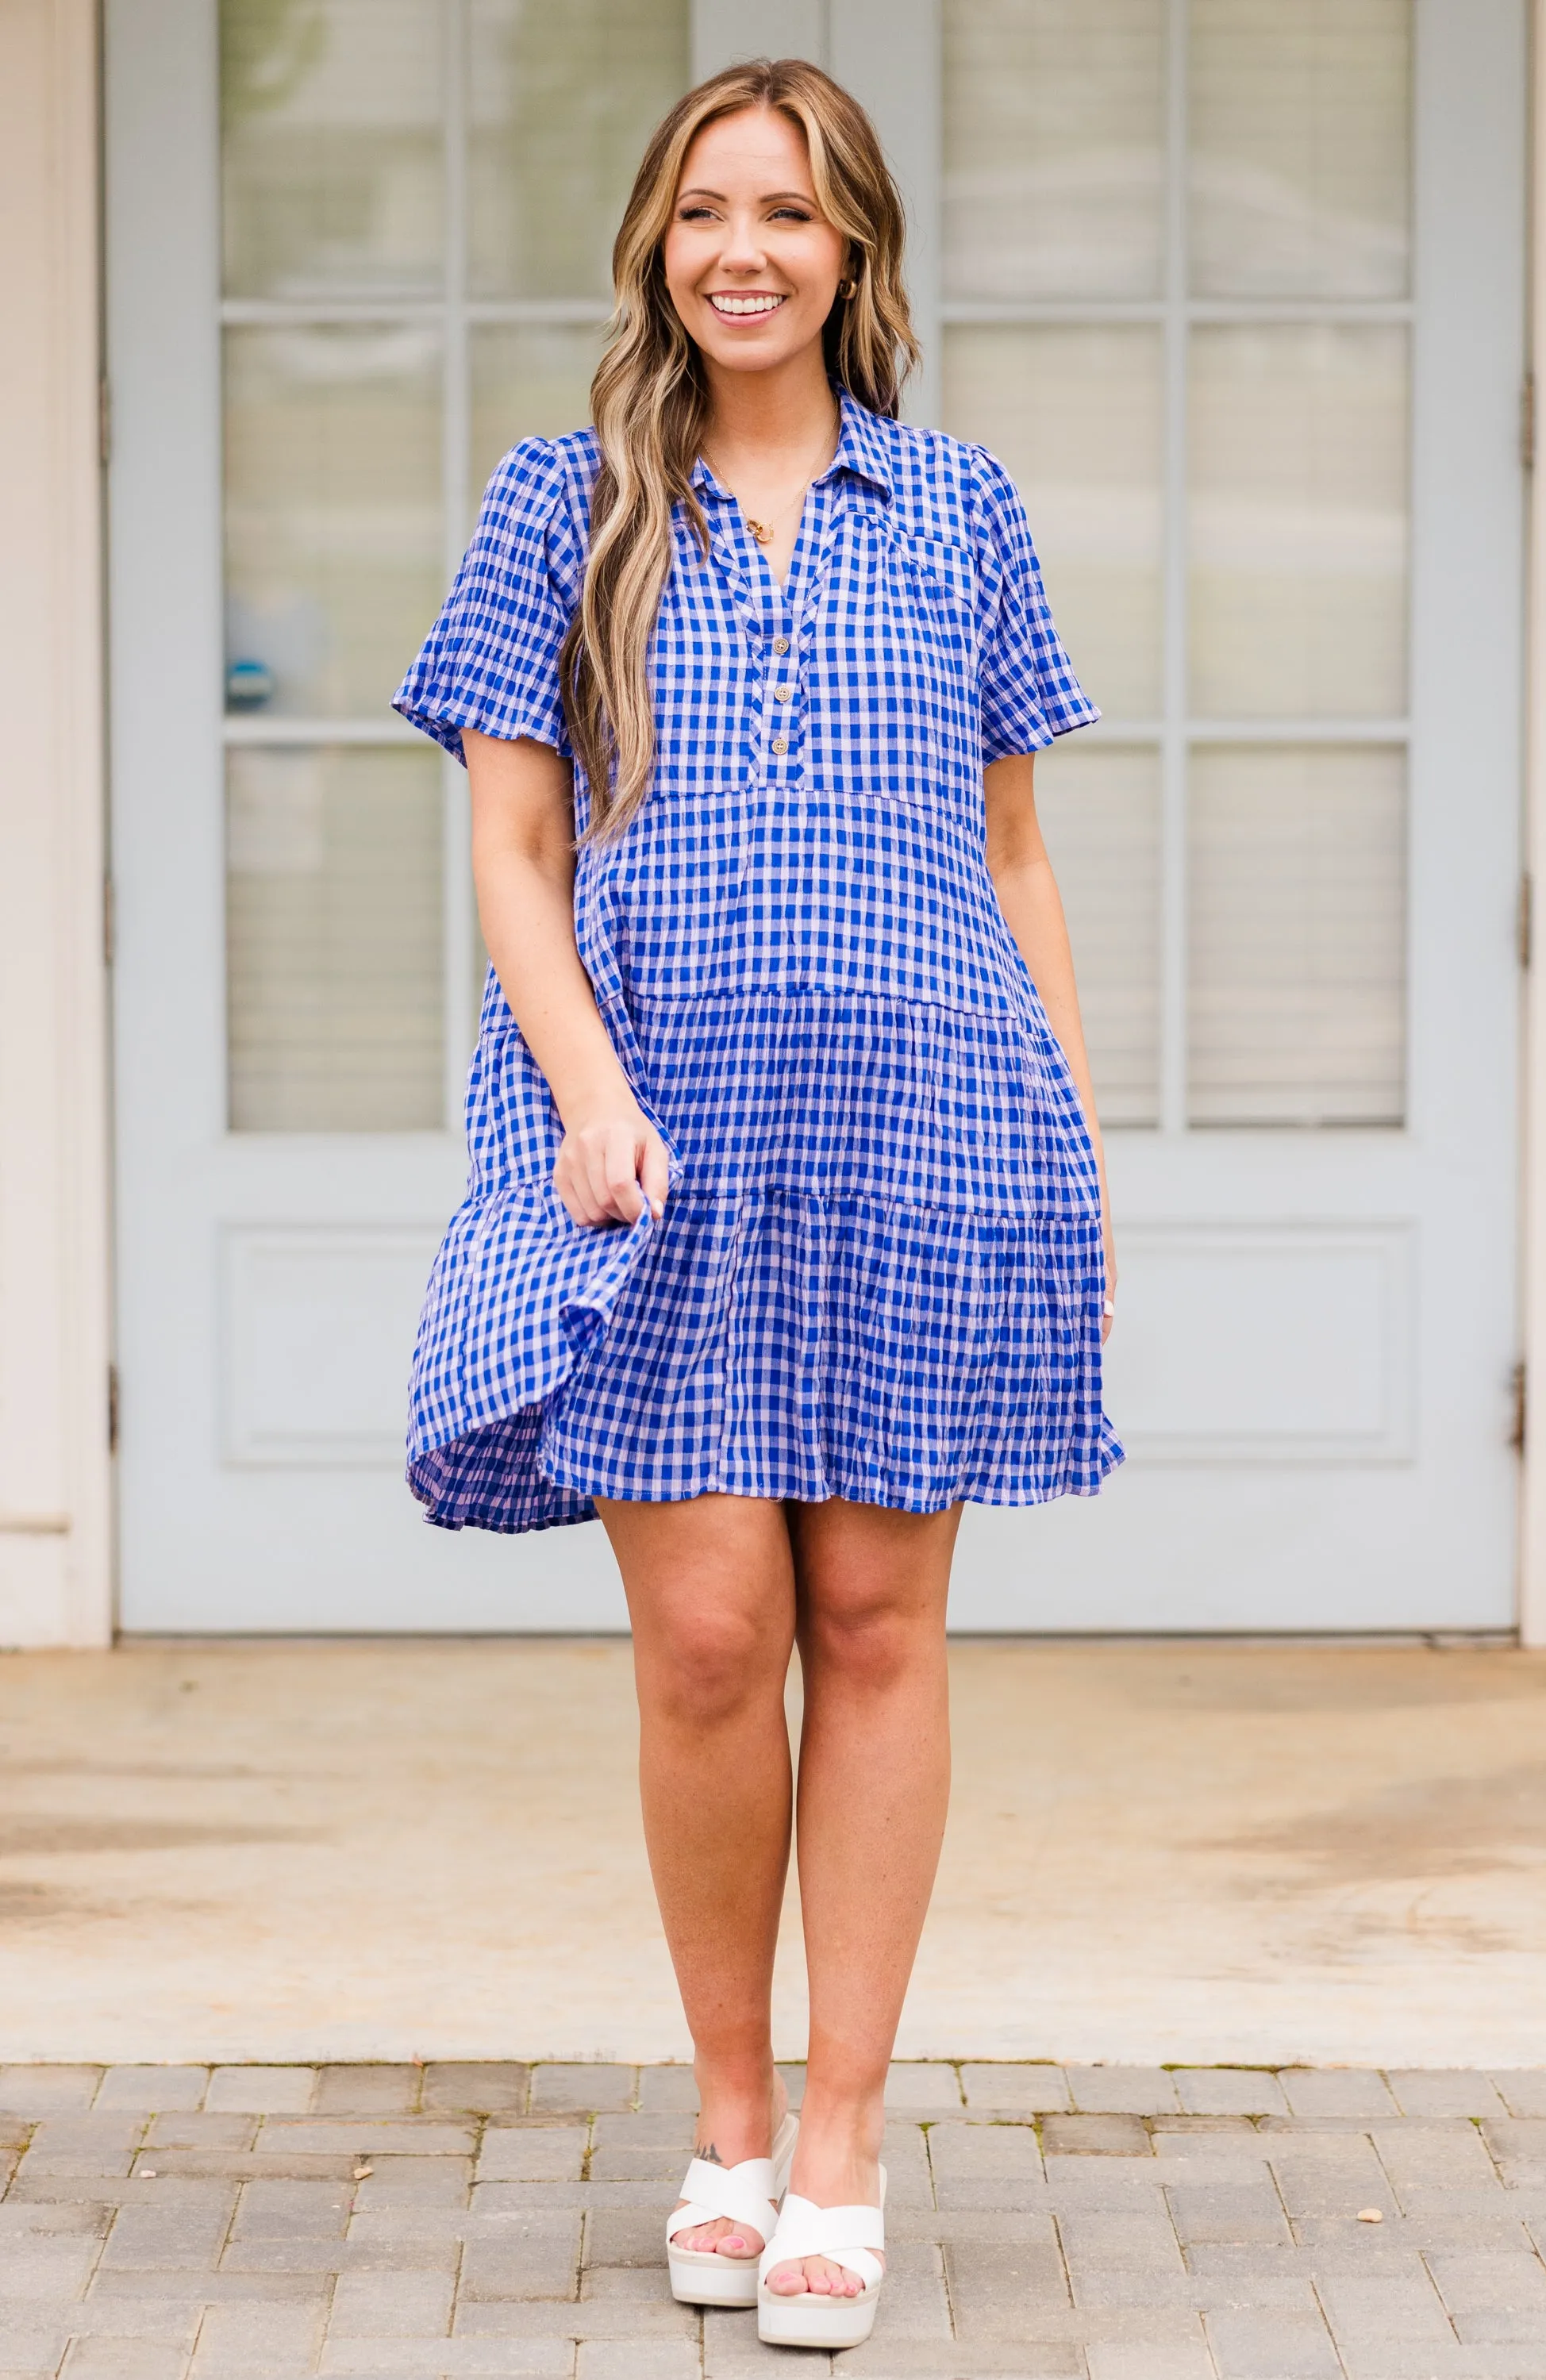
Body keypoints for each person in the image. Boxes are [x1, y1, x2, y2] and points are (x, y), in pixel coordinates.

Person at [394, 56, 1120, 2352]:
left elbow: (1010, 853)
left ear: (856, 254)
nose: (743, 250)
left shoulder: (962, 508)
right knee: (713, 1643)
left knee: (883, 1631)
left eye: (788, 215)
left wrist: (1071, 1142)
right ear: (652, 242)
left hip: (924, 1133)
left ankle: (841, 2138)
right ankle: (724, 2108)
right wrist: (585, 1093)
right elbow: (514, 848)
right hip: (652, 1150)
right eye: (705, 209)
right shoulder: (560, 506)